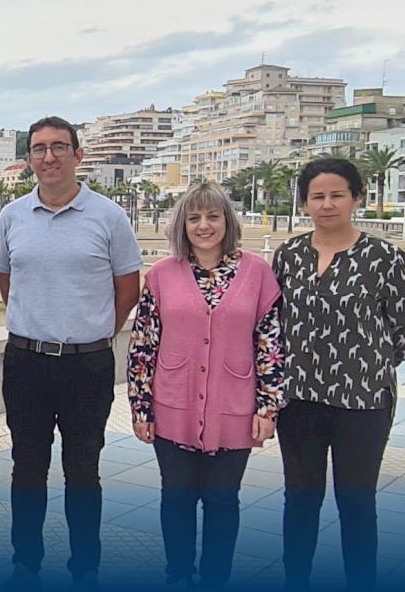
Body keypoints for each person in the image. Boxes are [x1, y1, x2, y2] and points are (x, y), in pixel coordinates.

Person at [0, 116, 142, 590]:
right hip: (26, 362)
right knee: (26, 466)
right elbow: (7, 281)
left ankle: (85, 568)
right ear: (29, 159)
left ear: (78, 155)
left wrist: (92, 332)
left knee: (83, 470)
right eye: (39, 148)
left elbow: (127, 289)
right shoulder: (12, 216)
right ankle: (25, 565)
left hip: (87, 364)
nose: (49, 156)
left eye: (59, 147)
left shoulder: (109, 217)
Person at [126, 181, 285, 589]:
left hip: (233, 408)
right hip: (172, 407)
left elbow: (270, 345)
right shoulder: (161, 275)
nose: (203, 225)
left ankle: (216, 579)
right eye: (194, 217)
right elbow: (143, 346)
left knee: (222, 500)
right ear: (182, 224)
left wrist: (268, 408)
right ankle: (178, 575)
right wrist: (141, 408)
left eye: (213, 216)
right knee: (176, 497)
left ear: (227, 221)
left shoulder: (257, 273)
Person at [273, 158, 405, 590]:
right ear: (305, 203)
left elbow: (400, 330)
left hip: (362, 403)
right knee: (300, 499)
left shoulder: (385, 258)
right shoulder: (289, 255)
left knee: (356, 503)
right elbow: (274, 323)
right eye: (317, 196)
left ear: (356, 198)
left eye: (337, 195)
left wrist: (367, 363)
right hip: (299, 400)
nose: (327, 204)